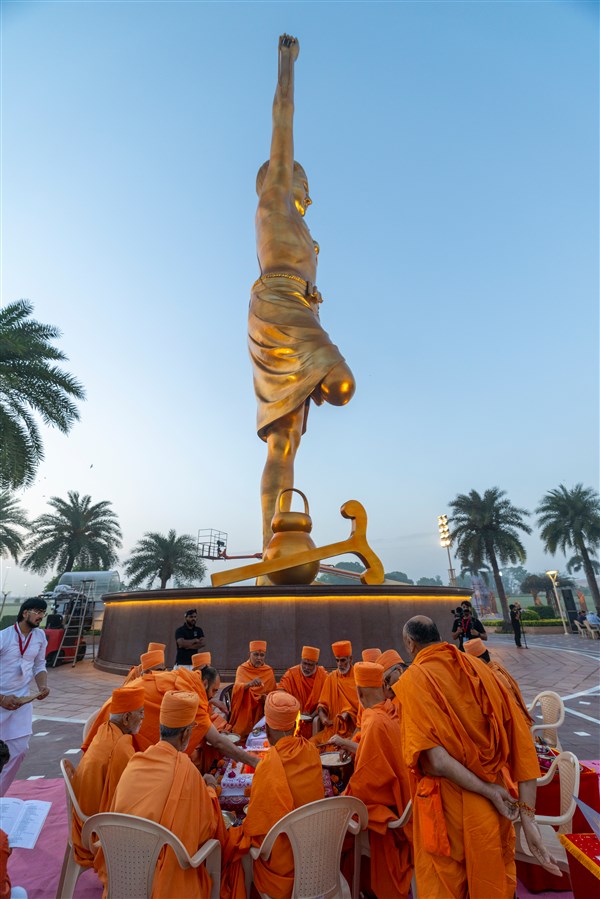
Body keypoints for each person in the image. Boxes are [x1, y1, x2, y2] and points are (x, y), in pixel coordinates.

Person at [251, 34, 355, 550]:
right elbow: (283, 121)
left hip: (297, 308)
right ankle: (274, 540)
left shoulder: (304, 229)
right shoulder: (274, 202)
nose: (307, 183)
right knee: (341, 386)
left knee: (284, 440)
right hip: (277, 307)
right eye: (300, 174)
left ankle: (277, 541)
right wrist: (286, 64)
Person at [394, 616, 560, 899]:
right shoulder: (481, 670)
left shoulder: (414, 680)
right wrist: (528, 817)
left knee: (445, 887)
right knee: (491, 885)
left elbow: (435, 761)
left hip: (447, 813)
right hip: (493, 811)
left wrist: (488, 791)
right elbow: (521, 741)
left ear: (410, 644)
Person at [108, 691, 229, 899]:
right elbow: (205, 830)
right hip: (165, 882)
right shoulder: (187, 771)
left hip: (124, 871)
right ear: (185, 735)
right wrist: (209, 790)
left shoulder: (136, 762)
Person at [221, 691, 325, 899]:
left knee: (235, 849)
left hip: (283, 868)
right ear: (295, 725)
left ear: (267, 730)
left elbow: (258, 826)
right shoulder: (312, 751)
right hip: (315, 856)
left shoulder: (268, 766)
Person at [344, 662, 413, 899]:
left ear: (360, 693)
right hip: (406, 799)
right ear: (383, 687)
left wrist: (343, 798)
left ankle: (357, 885)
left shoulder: (374, 721)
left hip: (391, 808)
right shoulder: (389, 710)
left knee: (339, 822)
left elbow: (366, 786)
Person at [71, 684, 145, 867]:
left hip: (84, 816)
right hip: (96, 828)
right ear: (127, 718)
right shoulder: (120, 745)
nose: (144, 718)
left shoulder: (105, 729)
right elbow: (130, 794)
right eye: (141, 713)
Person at [0, 598, 50, 794]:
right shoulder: (4, 637)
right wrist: (2, 699)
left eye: (43, 612)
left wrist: (43, 686)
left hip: (21, 702)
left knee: (19, 751)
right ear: (24, 613)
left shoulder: (40, 637)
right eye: (38, 611)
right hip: (1, 699)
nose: (41, 616)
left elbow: (39, 664)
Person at [464, 639, 533, 725]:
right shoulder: (492, 668)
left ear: (480, 660)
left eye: (471, 662)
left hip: (518, 726)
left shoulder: (494, 677)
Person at [312, 640, 359, 747]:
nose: (339, 664)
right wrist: (323, 717)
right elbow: (321, 705)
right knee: (310, 745)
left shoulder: (358, 678)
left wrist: (348, 714)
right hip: (332, 730)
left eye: (343, 660)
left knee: (334, 751)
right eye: (337, 661)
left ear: (350, 659)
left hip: (352, 731)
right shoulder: (331, 678)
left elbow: (363, 709)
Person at [228, 641, 276, 738]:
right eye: (256, 655)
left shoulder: (268, 671)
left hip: (263, 710)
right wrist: (249, 685)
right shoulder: (242, 669)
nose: (259, 658)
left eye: (262, 655)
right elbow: (237, 688)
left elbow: (273, 693)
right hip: (245, 709)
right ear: (249, 654)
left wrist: (266, 698)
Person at [277, 645, 327, 737]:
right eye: (304, 663)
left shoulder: (323, 676)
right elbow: (280, 693)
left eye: (310, 665)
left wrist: (314, 714)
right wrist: (295, 710)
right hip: (293, 719)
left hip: (315, 720)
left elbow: (326, 700)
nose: (306, 667)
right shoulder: (291, 674)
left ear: (316, 664)